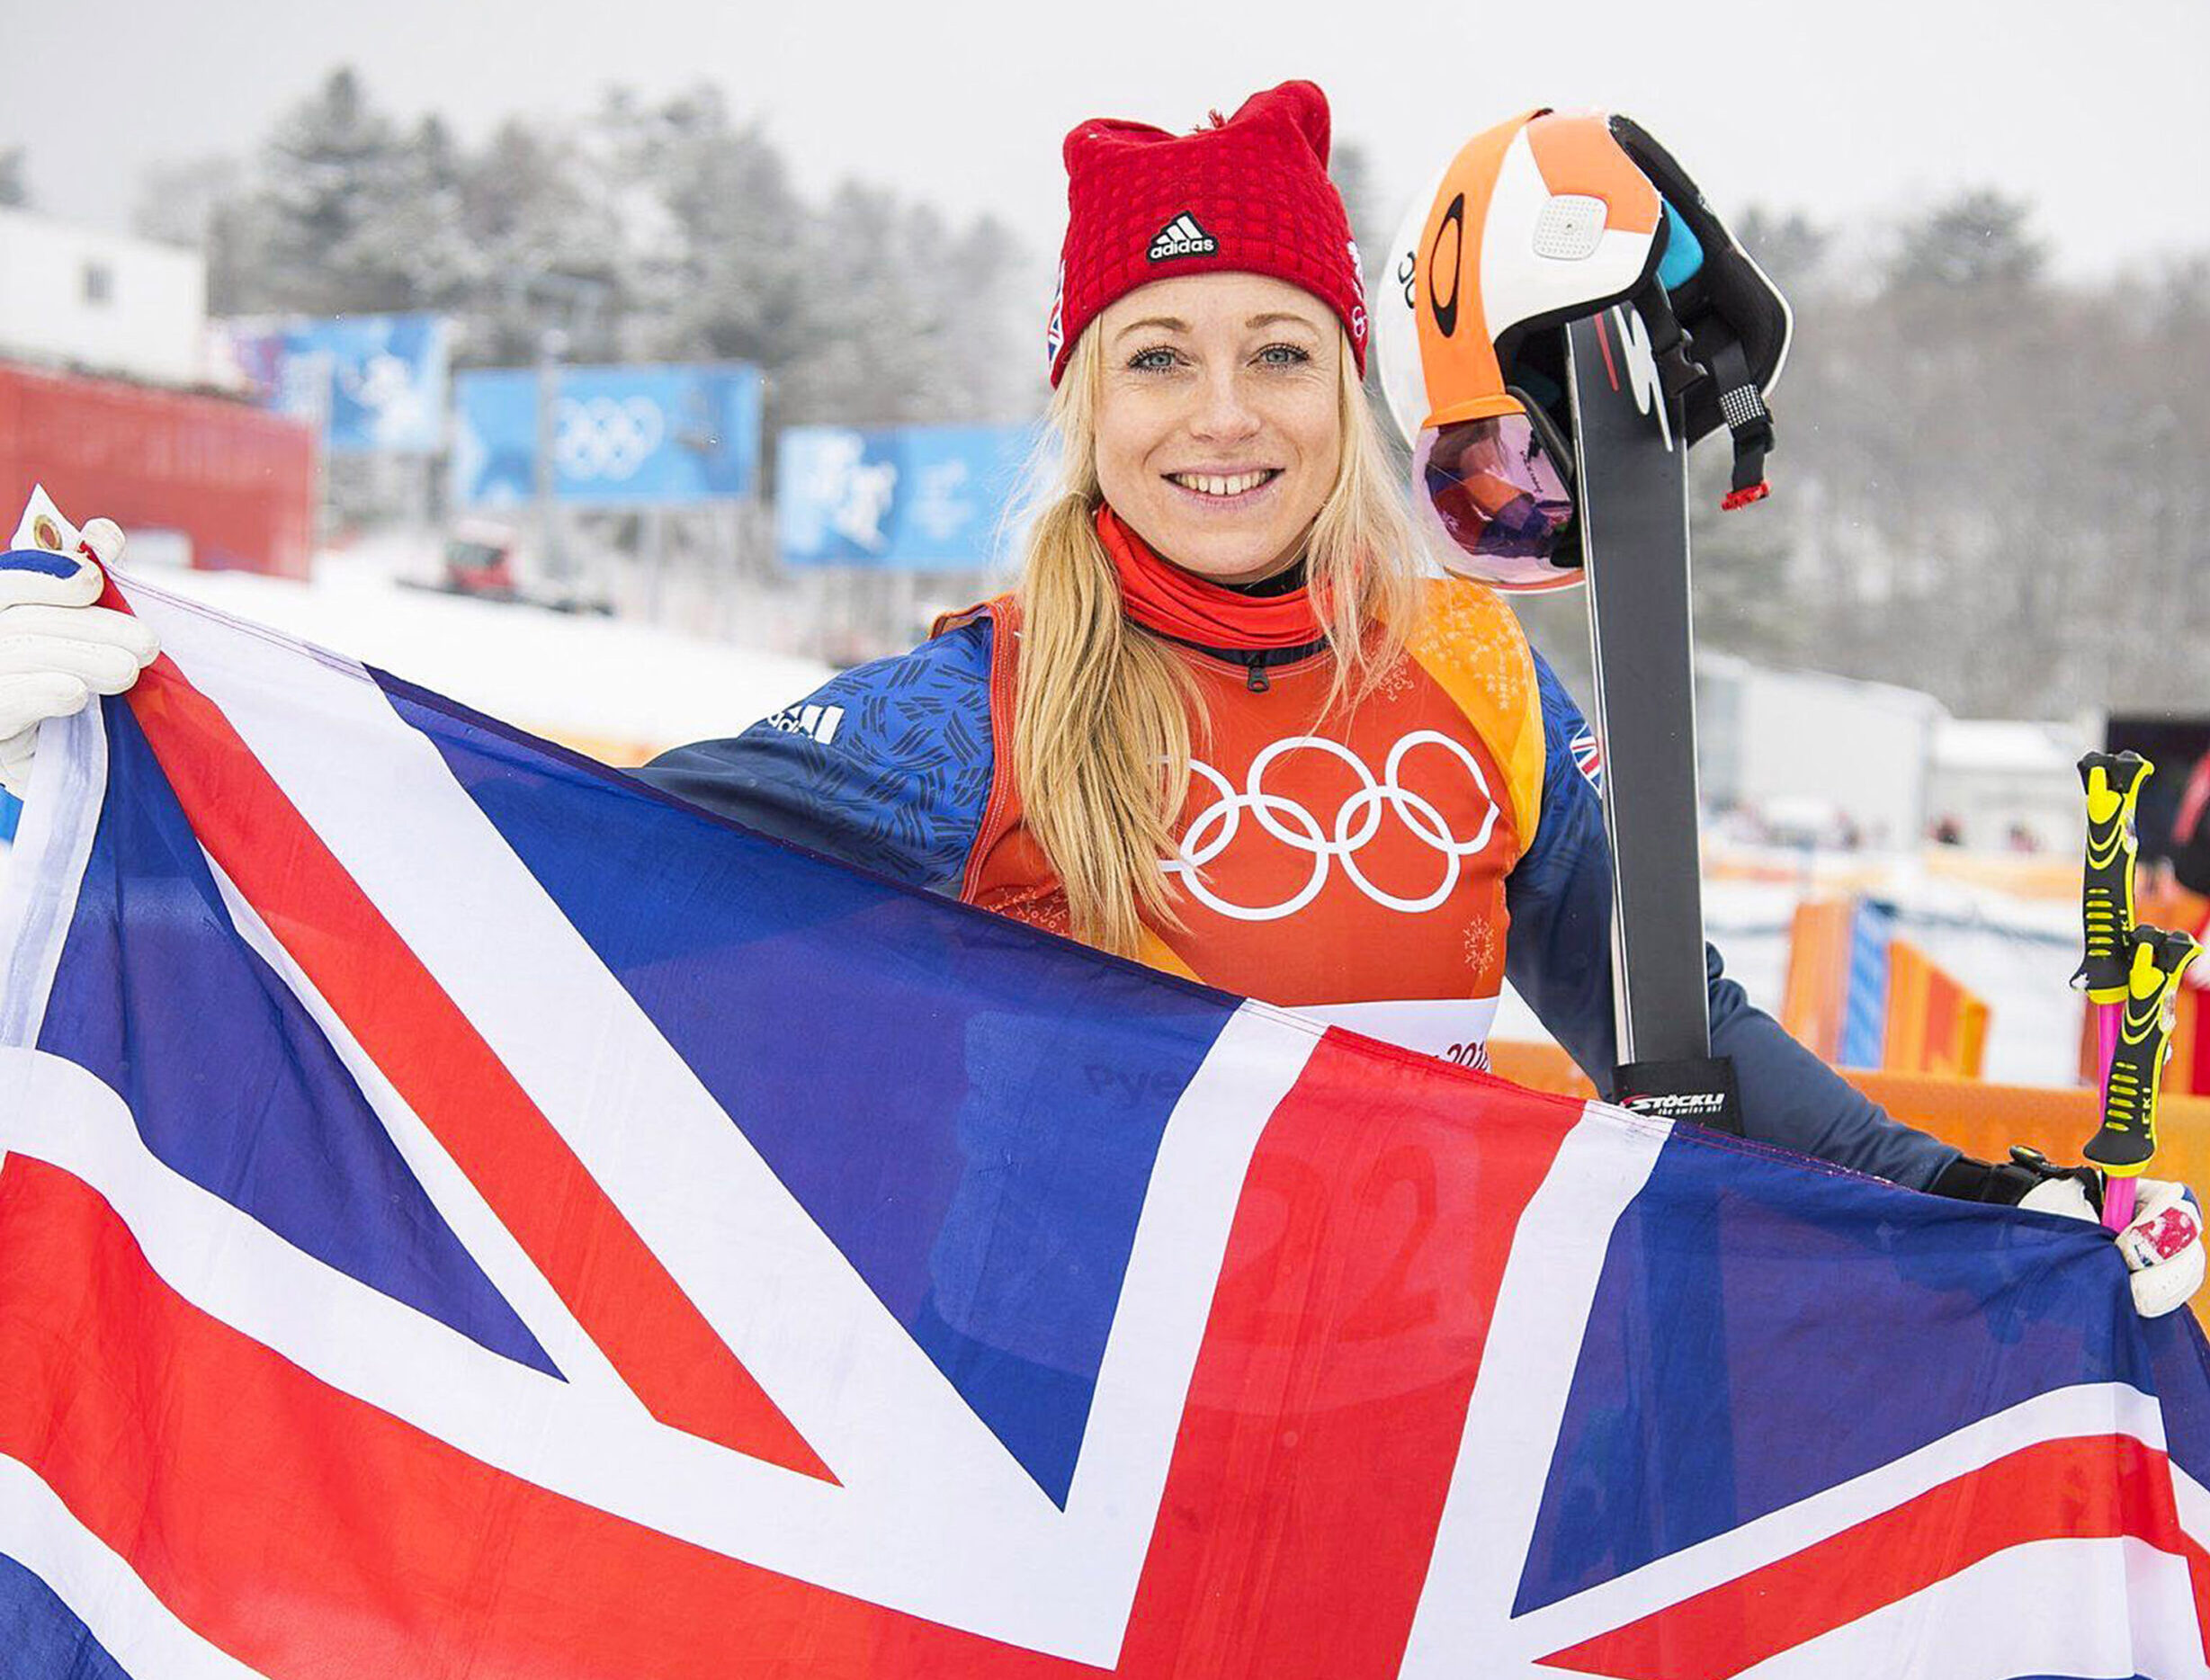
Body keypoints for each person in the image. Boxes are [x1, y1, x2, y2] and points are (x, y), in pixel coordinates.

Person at [1, 82, 2197, 1316]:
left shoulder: (1475, 674)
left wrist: (1965, 1199)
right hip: (1065, 1459)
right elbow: (544, 865)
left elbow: (1675, 1035)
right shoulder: (990, 702)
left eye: (1273, 351)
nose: (1216, 416)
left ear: (1349, 389)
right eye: (1153, 357)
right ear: (1081, 401)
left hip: (1430, 1441)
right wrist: (156, 744)